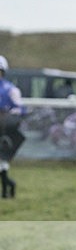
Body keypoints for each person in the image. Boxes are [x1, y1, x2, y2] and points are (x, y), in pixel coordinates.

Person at [0, 55, 25, 198]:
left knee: (2, 158)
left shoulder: (10, 89)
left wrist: (7, 115)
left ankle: (7, 187)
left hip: (4, 127)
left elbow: (20, 108)